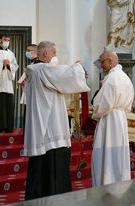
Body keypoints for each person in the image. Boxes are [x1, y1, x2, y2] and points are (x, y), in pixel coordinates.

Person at [24, 41, 90, 200]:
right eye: (53, 52)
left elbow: (63, 79)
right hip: (50, 129)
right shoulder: (42, 69)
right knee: (53, 172)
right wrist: (78, 66)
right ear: (45, 53)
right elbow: (67, 74)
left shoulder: (34, 70)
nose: (55, 56)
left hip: (44, 129)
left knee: (41, 170)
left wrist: (74, 73)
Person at [91, 51, 134, 187]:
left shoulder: (112, 78)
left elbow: (104, 103)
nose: (101, 65)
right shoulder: (125, 77)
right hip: (120, 118)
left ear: (110, 61)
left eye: (102, 62)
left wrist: (94, 111)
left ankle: (107, 183)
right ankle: (120, 183)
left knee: (106, 154)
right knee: (118, 155)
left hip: (109, 119)